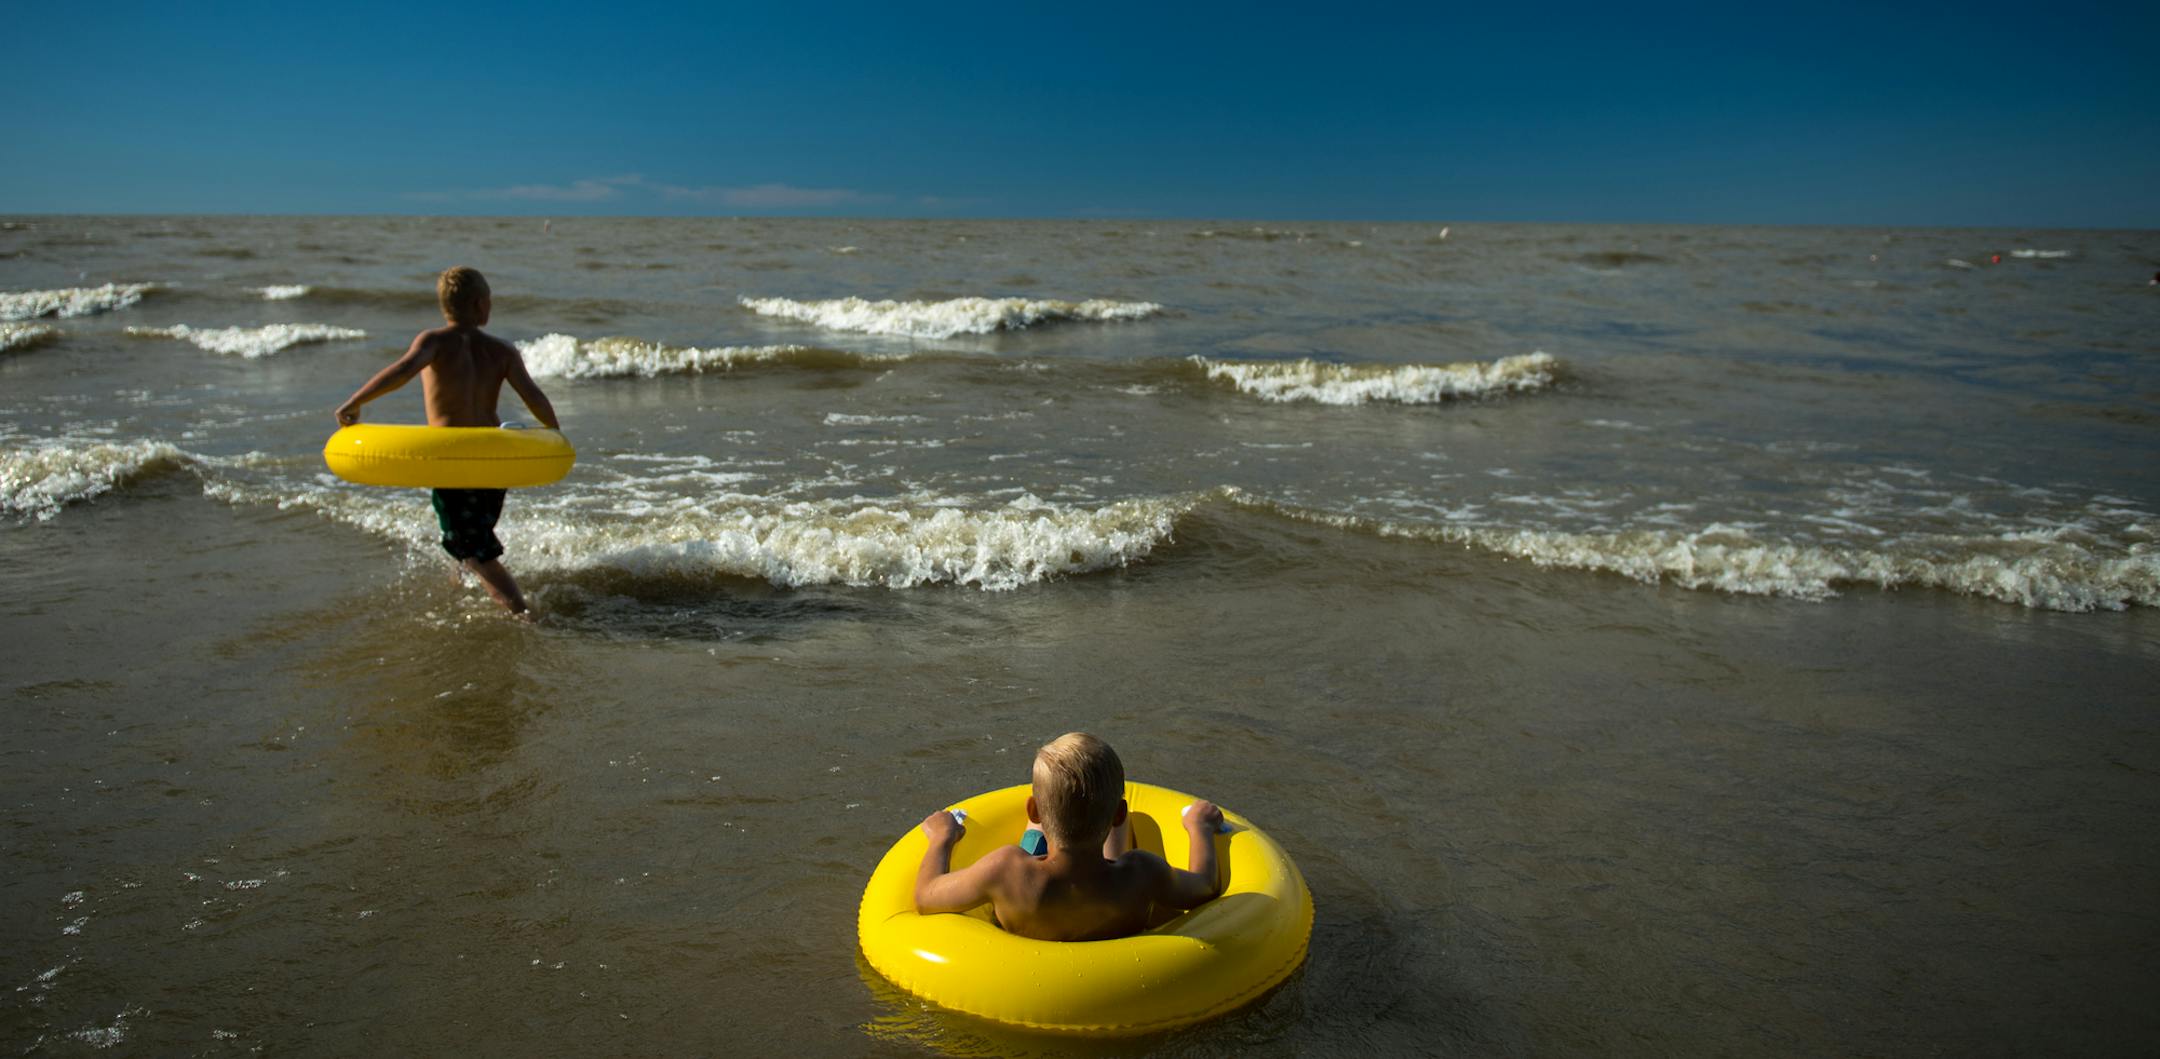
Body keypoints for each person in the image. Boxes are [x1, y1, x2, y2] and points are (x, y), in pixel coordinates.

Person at [333, 266, 559, 618]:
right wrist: (553, 434)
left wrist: (356, 401)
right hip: (493, 457)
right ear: (480, 304)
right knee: (473, 534)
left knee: (472, 546)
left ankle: (521, 614)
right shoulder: (501, 350)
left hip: (453, 459)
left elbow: (402, 371)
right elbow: (534, 397)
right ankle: (461, 588)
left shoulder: (433, 342)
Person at [913, 732, 1224, 942]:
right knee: (1114, 854)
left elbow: (926, 898)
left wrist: (942, 837)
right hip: (1114, 905)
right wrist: (1200, 828)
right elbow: (1204, 886)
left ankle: (1046, 830)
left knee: (1038, 841)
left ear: (1033, 809)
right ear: (1116, 813)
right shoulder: (1142, 872)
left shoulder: (1006, 870)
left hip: (1030, 920)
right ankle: (1093, 822)